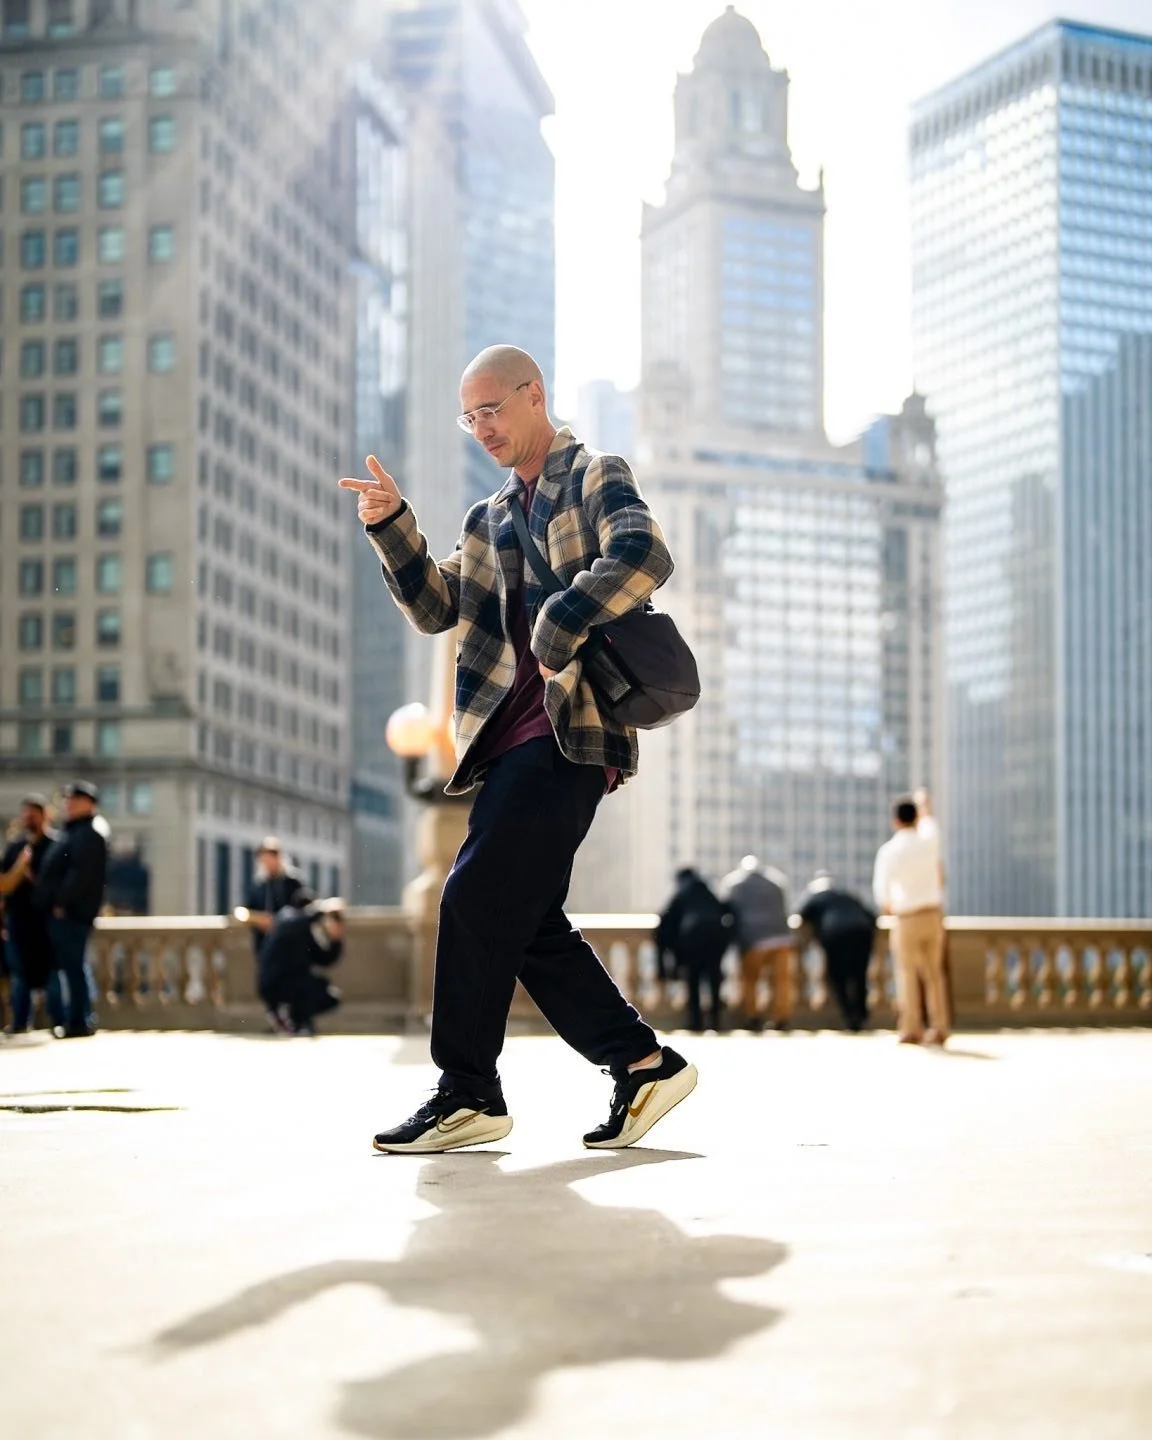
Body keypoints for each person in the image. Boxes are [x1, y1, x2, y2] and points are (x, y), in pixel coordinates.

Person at [340, 343, 697, 1153]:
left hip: (570, 734)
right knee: (524, 919)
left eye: (492, 410)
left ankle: (468, 1090)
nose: (481, 429)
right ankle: (642, 1064)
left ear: (534, 396)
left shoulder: (596, 474)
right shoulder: (489, 517)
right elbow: (438, 610)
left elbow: (645, 554)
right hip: (508, 742)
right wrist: (393, 527)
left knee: (471, 897)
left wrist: (562, 617)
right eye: (469, 418)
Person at [34, 781, 108, 1038]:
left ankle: (78, 1022)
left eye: (75, 800)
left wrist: (61, 904)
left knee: (74, 968)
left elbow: (81, 876)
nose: (69, 804)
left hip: (72, 915)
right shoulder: (75, 832)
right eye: (68, 800)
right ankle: (77, 1019)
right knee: (71, 968)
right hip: (66, 914)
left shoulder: (88, 834)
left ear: (89, 804)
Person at [873, 794, 949, 1046]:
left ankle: (911, 1027)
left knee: (906, 974)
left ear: (895, 821)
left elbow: (882, 893)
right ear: (916, 818)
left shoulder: (890, 851)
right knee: (934, 975)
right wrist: (923, 801)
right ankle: (939, 1027)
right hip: (933, 914)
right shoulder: (929, 840)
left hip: (906, 917)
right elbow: (929, 820)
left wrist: (892, 909)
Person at [0, 796, 63, 1034]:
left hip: (46, 921)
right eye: (25, 814)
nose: (28, 818)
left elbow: (60, 884)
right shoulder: (16, 847)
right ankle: (19, 1022)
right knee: (19, 974)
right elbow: (4, 883)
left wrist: (32, 878)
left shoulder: (56, 845)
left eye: (33, 814)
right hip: (18, 921)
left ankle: (59, 1019)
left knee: (52, 972)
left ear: (45, 815)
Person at [719, 856, 794, 1031]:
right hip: (781, 938)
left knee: (750, 980)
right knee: (781, 981)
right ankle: (781, 1017)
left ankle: (752, 1016)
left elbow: (727, 910)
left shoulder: (734, 884)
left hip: (753, 939)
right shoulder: (776, 882)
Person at [795, 874, 876, 1033]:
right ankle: (862, 1014)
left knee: (837, 976)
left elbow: (801, 915)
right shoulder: (847, 896)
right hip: (862, 932)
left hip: (836, 934)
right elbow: (872, 916)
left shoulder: (816, 898)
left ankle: (850, 1016)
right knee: (859, 975)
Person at [656, 868, 733, 1033]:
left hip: (692, 943)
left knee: (693, 982)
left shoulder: (682, 895)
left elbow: (666, 923)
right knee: (713, 980)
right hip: (715, 941)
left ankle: (696, 1022)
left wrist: (666, 964)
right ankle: (715, 1021)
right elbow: (728, 910)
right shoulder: (708, 893)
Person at [258, 899, 345, 1036]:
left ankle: (296, 1021)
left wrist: (336, 939)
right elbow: (299, 921)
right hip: (274, 981)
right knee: (310, 986)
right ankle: (290, 1020)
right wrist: (323, 909)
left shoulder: (306, 934)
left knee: (327, 993)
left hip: (296, 983)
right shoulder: (287, 918)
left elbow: (324, 959)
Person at [241, 838, 311, 959]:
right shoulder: (259, 885)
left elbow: (304, 909)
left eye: (270, 858)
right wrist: (259, 920)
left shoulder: (292, 882)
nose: (267, 863)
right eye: (264, 859)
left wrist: (280, 921)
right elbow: (247, 909)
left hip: (290, 943)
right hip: (266, 944)